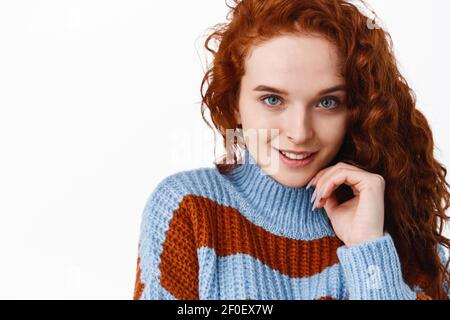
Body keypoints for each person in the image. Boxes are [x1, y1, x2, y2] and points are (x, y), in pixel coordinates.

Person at [133, 0, 450, 300]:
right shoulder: (188, 209)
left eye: (327, 102)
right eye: (272, 99)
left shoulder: (396, 227)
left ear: (356, 110)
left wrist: (368, 249)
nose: (299, 132)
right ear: (234, 105)